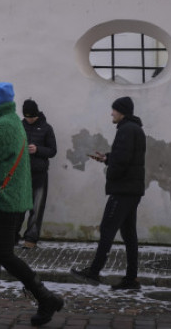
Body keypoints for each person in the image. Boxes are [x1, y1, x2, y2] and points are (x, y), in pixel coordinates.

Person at [0, 82, 63, 327]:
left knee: (4, 254)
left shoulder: (5, 125)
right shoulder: (7, 122)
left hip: (4, 202)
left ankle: (45, 298)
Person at [70, 96, 146, 290]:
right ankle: (131, 279)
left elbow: (122, 162)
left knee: (107, 229)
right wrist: (107, 158)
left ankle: (94, 272)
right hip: (132, 190)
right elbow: (125, 156)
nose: (111, 113)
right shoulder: (134, 129)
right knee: (129, 234)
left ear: (122, 112)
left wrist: (111, 171)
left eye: (114, 110)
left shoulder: (126, 130)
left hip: (123, 190)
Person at [18, 98, 56, 249]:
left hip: (39, 175)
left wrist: (38, 150)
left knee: (36, 208)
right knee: (18, 208)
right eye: (27, 117)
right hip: (21, 174)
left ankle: (31, 239)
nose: (29, 119)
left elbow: (53, 151)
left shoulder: (47, 128)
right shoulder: (19, 126)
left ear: (37, 114)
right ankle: (13, 236)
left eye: (31, 117)